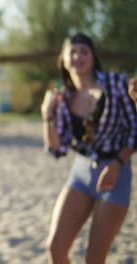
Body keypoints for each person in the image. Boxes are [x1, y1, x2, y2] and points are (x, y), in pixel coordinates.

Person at [41, 33, 136, 264]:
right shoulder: (62, 99)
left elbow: (135, 130)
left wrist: (117, 164)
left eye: (84, 51)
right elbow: (57, 148)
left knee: (94, 257)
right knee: (55, 248)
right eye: (72, 51)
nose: (78, 56)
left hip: (115, 172)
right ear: (63, 60)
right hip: (81, 173)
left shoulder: (115, 85)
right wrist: (47, 116)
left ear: (93, 58)